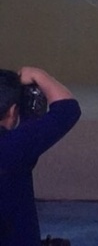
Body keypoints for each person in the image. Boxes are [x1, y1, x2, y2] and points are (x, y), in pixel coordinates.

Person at [0, 67, 81, 246]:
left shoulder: (17, 146)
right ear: (12, 111)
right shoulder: (15, 146)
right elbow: (68, 109)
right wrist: (38, 75)